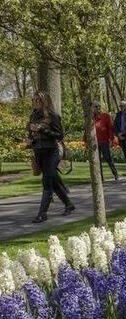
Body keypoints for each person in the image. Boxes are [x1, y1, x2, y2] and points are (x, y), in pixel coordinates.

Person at [28, 91, 74, 223]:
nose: (36, 103)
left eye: (39, 100)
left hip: (51, 152)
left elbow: (59, 135)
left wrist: (42, 130)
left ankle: (42, 214)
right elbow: (32, 134)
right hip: (38, 152)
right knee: (52, 181)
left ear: (45, 101)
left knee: (47, 182)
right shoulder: (33, 116)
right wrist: (30, 140)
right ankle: (69, 204)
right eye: (34, 100)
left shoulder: (53, 116)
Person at [92, 101, 118, 181]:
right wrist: (86, 141)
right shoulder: (90, 118)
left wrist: (111, 138)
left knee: (107, 158)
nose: (98, 108)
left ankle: (115, 173)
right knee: (97, 160)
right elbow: (87, 130)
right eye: (96, 106)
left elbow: (110, 128)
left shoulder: (105, 116)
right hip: (94, 142)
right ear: (92, 108)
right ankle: (100, 177)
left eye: (99, 106)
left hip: (104, 141)